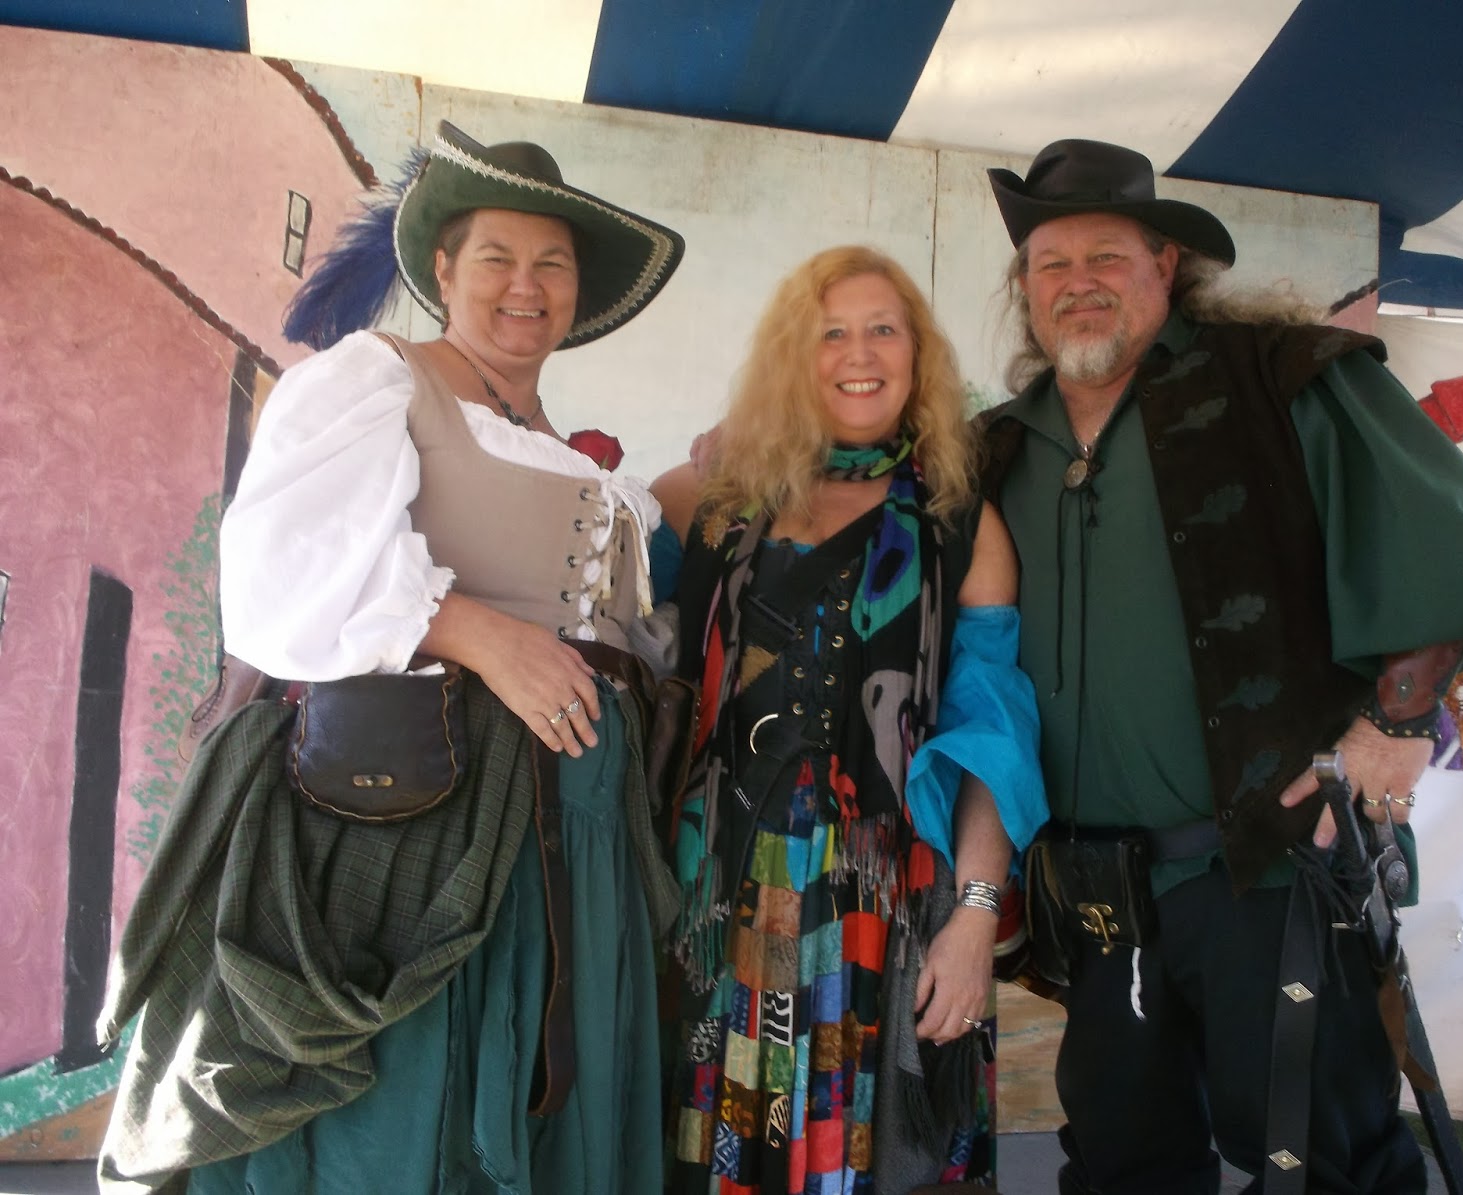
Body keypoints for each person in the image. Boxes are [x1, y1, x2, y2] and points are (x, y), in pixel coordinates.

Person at [975, 139, 1463, 1194]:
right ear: (1025, 287)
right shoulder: (997, 448)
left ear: (1167, 265)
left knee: (1322, 1160)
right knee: (1120, 1164)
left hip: (1269, 867)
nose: (1078, 282)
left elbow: (1448, 531)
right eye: (1051, 262)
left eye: (1107, 256)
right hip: (1100, 895)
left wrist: (1396, 724)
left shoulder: (1281, 378)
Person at [97, 121, 685, 1194]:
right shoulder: (379, 380)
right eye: (497, 257)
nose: (526, 285)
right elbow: (281, 574)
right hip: (432, 818)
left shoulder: (565, 451)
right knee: (415, 1111)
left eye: (552, 264)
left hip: (575, 833)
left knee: (551, 1102)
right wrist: (479, 634)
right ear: (443, 271)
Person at [650, 246, 1049, 1193]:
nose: (858, 353)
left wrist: (975, 920)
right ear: (796, 355)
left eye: (883, 329)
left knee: (873, 1157)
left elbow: (993, 735)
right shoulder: (715, 504)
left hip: (882, 909)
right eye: (831, 332)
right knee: (708, 1153)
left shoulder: (960, 527)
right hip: (717, 892)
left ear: (918, 356)